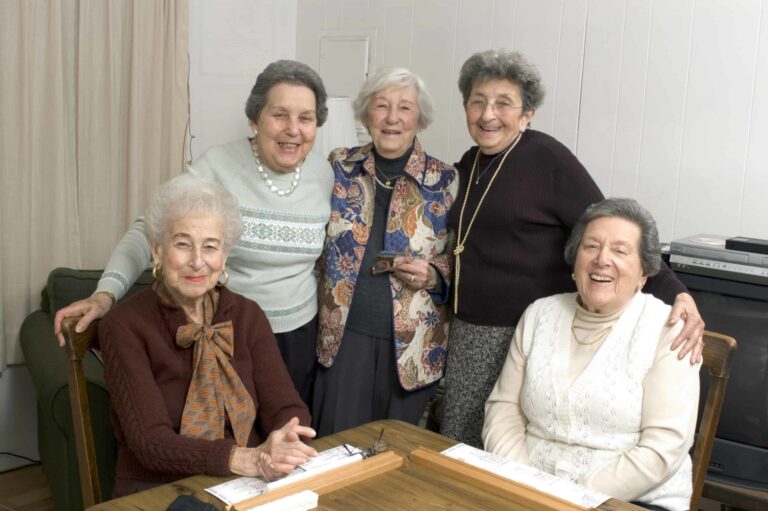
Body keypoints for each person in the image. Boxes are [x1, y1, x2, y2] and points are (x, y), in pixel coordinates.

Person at [440, 49, 705, 448]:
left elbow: (610, 230)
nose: (488, 114)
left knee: (511, 450)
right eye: (478, 102)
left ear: (528, 113)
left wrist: (677, 292)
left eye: (504, 103)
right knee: (463, 447)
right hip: (468, 333)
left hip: (526, 335)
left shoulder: (549, 159)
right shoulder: (470, 161)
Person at [54, 60, 334, 407]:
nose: (293, 129)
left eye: (306, 118)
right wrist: (104, 295)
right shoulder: (216, 167)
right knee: (234, 435)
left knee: (289, 427)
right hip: (227, 331)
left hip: (301, 336)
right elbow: (148, 229)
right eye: (280, 115)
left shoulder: (326, 175)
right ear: (255, 118)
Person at [100, 174, 315, 497]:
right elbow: (149, 443)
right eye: (182, 244)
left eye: (211, 246)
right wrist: (245, 459)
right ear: (156, 250)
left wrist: (285, 442)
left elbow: (286, 406)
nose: (198, 261)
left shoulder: (247, 315)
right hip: (159, 488)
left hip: (249, 482)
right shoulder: (123, 325)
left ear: (224, 256)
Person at [483, 198, 700, 511]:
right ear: (575, 260)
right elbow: (504, 409)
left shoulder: (668, 330)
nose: (602, 260)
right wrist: (523, 483)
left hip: (630, 500)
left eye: (620, 251)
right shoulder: (539, 314)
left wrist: (570, 497)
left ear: (644, 272)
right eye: (591, 247)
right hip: (529, 490)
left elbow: (664, 448)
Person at [313, 68, 458, 436]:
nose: (392, 117)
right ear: (366, 116)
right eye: (381, 106)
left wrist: (435, 274)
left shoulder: (446, 181)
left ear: (420, 119)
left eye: (405, 108)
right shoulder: (338, 167)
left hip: (412, 349)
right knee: (335, 448)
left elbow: (464, 254)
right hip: (342, 340)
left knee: (397, 452)